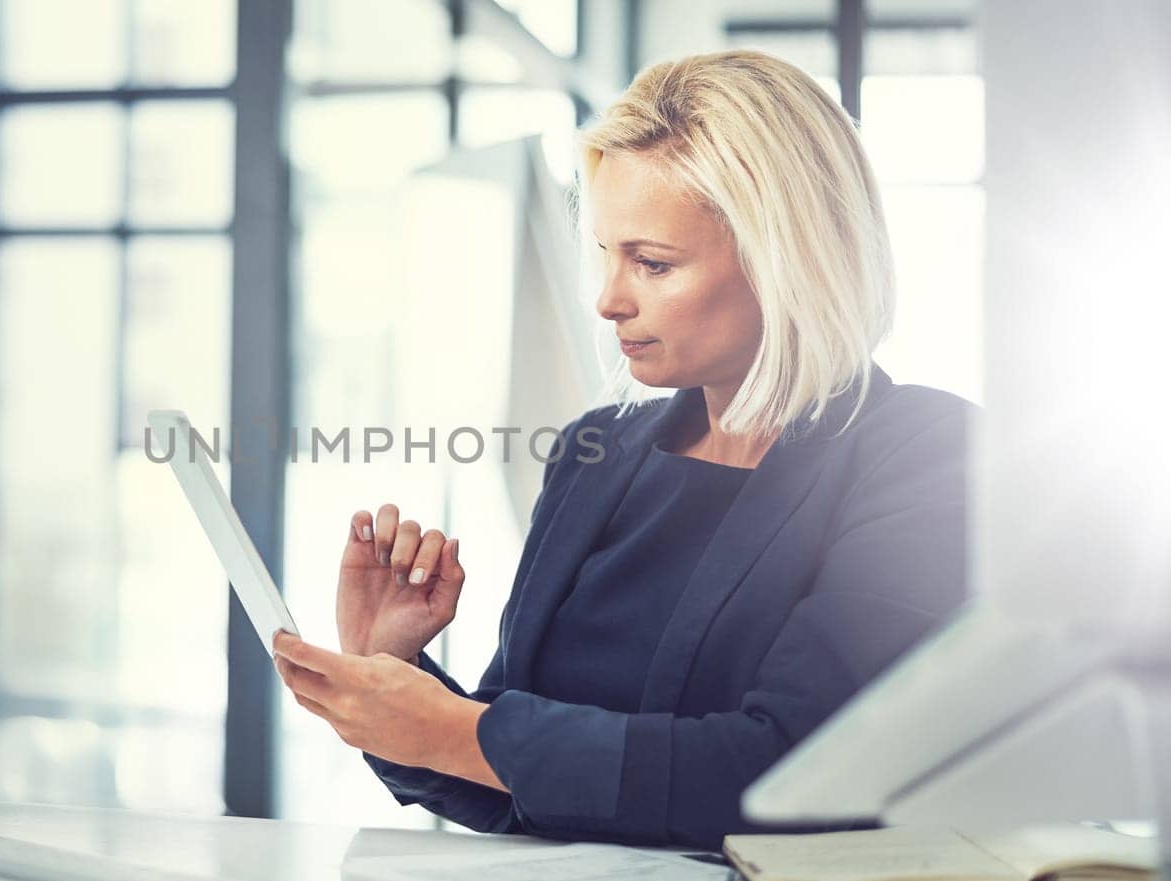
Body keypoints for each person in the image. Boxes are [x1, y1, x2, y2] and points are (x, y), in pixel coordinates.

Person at [270, 48, 975, 849]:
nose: (608, 299)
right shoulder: (593, 452)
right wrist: (396, 676)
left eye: (652, 262)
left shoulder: (928, 456)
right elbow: (520, 796)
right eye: (606, 253)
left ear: (790, 262)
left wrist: (457, 729)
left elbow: (793, 772)